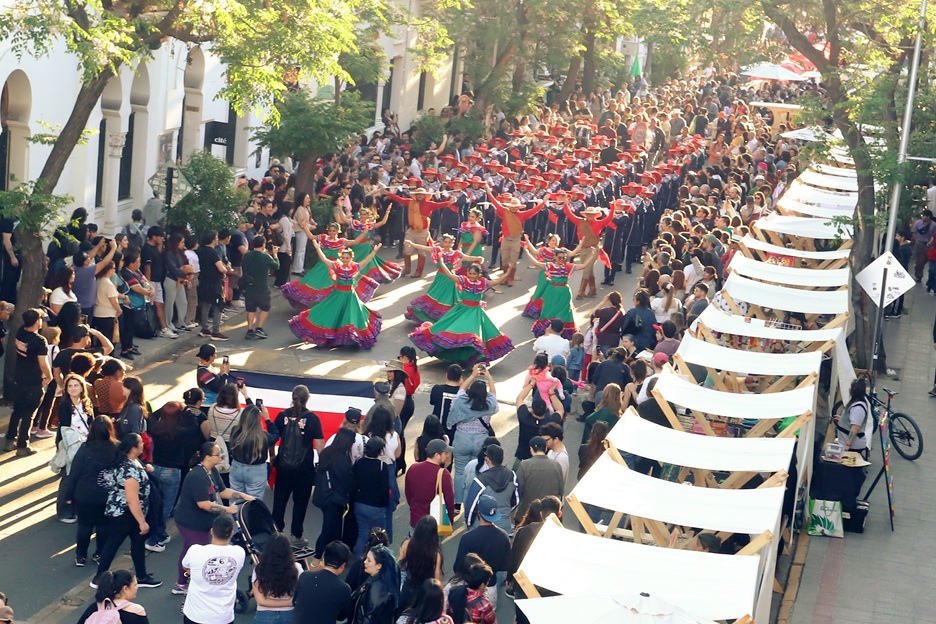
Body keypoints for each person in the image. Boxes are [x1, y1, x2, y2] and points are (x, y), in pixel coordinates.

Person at [172, 441, 256, 595]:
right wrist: (228, 509)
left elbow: (222, 491)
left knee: (189, 550)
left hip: (201, 521)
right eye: (218, 454)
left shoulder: (211, 471)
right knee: (200, 552)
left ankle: (182, 582)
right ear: (208, 457)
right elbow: (203, 504)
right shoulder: (197, 476)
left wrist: (242, 495)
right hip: (191, 522)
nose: (221, 456)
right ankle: (186, 582)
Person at [91, 433, 161, 589]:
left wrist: (145, 468)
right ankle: (99, 577)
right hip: (125, 513)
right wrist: (142, 522)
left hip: (128, 512)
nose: (143, 444)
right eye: (141, 443)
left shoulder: (130, 461)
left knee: (137, 543)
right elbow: (132, 499)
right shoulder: (129, 470)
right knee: (113, 543)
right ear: (134, 448)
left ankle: (141, 576)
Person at [409, 262, 512, 364]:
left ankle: (468, 357)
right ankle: (456, 354)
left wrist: (507, 273)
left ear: (478, 274)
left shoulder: (483, 283)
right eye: (470, 273)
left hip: (475, 313)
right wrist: (441, 262)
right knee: (453, 330)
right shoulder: (464, 281)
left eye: (474, 274)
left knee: (473, 336)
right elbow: (450, 275)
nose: (471, 276)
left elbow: (497, 281)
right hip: (461, 310)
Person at [289, 240, 383, 348]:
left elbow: (366, 260)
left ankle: (351, 337)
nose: (345, 260)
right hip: (337, 295)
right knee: (331, 313)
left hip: (350, 296)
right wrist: (318, 248)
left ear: (351, 258)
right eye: (343, 258)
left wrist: (374, 251)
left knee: (351, 316)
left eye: (347, 258)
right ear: (341, 258)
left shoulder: (355, 267)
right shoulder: (337, 266)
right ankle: (330, 336)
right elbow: (324, 259)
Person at [146, 400, 206, 551]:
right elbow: (194, 426)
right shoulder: (181, 432)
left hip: (155, 468)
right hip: (172, 471)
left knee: (157, 502)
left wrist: (165, 408)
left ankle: (159, 532)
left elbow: (152, 416)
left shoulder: (156, 427)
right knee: (167, 505)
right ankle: (154, 536)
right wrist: (187, 412)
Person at [272, 385, 324, 547]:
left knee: (279, 500)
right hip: (304, 468)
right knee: (300, 503)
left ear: (292, 398)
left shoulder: (282, 416)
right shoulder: (313, 418)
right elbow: (319, 444)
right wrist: (323, 464)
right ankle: (296, 536)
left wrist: (272, 456)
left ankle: (276, 532)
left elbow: (272, 437)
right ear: (307, 399)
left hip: (283, 466)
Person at [66, 417, 121, 567]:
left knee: (84, 526)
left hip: (85, 494)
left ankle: (80, 556)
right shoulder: (117, 448)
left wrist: (68, 495)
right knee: (103, 526)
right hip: (107, 495)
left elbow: (74, 473)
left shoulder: (85, 449)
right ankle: (99, 554)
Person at [281, 222, 367, 309]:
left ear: (338, 231)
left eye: (334, 231)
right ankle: (318, 306)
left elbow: (355, 242)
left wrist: (364, 233)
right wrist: (305, 227)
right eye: (330, 231)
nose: (332, 233)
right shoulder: (323, 238)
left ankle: (331, 307)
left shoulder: (341, 242)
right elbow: (311, 237)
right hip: (321, 266)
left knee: (333, 288)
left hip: (335, 268)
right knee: (315, 285)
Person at [447, 364, 498, 507]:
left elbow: (461, 390)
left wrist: (473, 375)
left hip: (461, 439)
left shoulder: (461, 402)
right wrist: (488, 376)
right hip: (481, 441)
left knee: (460, 471)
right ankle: (472, 502)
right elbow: (493, 394)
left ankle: (457, 503)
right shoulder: (490, 405)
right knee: (476, 472)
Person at [3, 308, 51, 456]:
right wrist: (49, 376)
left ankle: (10, 439)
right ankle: (23, 446)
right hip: (33, 381)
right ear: (37, 321)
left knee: (17, 409)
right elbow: (43, 363)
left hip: (19, 378)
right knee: (29, 413)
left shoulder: (20, 332)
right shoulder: (40, 341)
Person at [181, 514, 246, 624]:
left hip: (195, 615)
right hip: (223, 617)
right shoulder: (239, 552)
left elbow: (185, 566)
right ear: (231, 534)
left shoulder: (195, 550)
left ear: (212, 531)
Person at [403, 235, 482, 323]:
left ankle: (446, 319)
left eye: (449, 242)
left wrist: (477, 258)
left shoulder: (456, 253)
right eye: (445, 242)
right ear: (442, 243)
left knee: (447, 298)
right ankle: (432, 318)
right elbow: (424, 248)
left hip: (450, 279)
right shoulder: (438, 251)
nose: (447, 244)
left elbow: (467, 257)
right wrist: (412, 244)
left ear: (452, 243)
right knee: (435, 295)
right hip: (440, 278)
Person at [313, 428, 358, 558]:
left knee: (333, 529)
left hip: (324, 495)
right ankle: (317, 558)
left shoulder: (327, 452)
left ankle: (332, 557)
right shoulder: (342, 459)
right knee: (329, 530)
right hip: (334, 499)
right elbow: (348, 481)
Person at [524, 245, 583, 338]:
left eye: (564, 258)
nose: (562, 259)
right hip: (552, 292)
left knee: (565, 312)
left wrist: (593, 255)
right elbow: (536, 263)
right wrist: (527, 252)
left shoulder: (568, 267)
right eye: (560, 257)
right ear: (555, 257)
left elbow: (584, 266)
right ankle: (547, 330)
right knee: (548, 311)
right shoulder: (550, 266)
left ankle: (561, 332)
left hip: (565, 293)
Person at [293, 541, 353, 624]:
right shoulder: (344, 588)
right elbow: (342, 616)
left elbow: (294, 601)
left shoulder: (305, 575)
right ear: (343, 565)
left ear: (324, 559)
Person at [229, 403, 280, 500]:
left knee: (235, 500)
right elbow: (276, 435)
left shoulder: (235, 431)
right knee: (253, 502)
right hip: (256, 470)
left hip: (237, 467)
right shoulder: (263, 436)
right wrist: (267, 419)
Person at [463, 445, 517, 533]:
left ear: (487, 459)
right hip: (504, 526)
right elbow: (517, 499)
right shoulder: (512, 476)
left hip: (481, 526)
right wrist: (506, 511)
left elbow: (471, 507)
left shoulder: (480, 480)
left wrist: (469, 524)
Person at [353, 436, 392, 555]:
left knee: (362, 535)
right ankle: (378, 559)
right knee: (378, 536)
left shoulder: (359, 462)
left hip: (359, 504)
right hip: (376, 506)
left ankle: (358, 561)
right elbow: (385, 488)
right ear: (380, 451)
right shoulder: (381, 466)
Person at [404, 439, 455, 531]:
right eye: (445, 453)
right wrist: (450, 520)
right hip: (435, 523)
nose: (447, 455)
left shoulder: (413, 468)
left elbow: (408, 493)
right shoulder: (444, 474)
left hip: (415, 520)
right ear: (437, 455)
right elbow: (449, 500)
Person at [251, 533, 301, 624]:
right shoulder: (296, 568)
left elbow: (260, 601)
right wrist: (290, 602)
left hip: (264, 615)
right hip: (290, 614)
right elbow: (301, 593)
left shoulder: (259, 569)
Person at [398, 516, 444, 610]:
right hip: (425, 591)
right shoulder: (436, 554)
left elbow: (399, 564)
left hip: (409, 585)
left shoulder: (407, 544)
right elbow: (437, 579)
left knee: (401, 610)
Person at [514, 436, 564, 523]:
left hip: (527, 514)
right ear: (545, 448)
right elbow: (561, 491)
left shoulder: (524, 465)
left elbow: (518, 490)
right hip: (549, 514)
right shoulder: (556, 465)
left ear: (531, 449)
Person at [196, 230, 234, 341]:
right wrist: (226, 269)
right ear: (213, 239)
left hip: (204, 281)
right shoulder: (212, 252)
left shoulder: (200, 251)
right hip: (215, 282)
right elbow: (221, 268)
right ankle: (216, 331)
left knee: (206, 304)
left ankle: (204, 328)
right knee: (218, 306)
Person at [241, 235, 280, 339]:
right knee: (265, 308)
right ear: (263, 244)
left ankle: (249, 330)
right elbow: (276, 266)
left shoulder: (247, 255)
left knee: (250, 309)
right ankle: (259, 328)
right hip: (262, 287)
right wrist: (275, 254)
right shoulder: (266, 257)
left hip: (249, 287)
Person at [76, 569, 149, 624]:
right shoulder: (136, 611)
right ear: (125, 589)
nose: (137, 587)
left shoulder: (95, 607)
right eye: (135, 585)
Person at [351, 545, 401, 624]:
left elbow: (369, 619)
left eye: (369, 560)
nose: (365, 562)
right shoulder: (377, 580)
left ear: (379, 566)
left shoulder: (378, 589)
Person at [513, 397, 561, 470]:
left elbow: (519, 399)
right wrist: (552, 394)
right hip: (542, 465)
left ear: (532, 410)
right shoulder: (550, 423)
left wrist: (531, 387)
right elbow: (560, 409)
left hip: (522, 459)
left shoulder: (524, 418)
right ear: (546, 409)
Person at [837, 378, 874, 457]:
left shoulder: (858, 408)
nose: (849, 388)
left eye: (850, 387)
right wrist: (841, 420)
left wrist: (848, 444)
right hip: (847, 444)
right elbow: (851, 420)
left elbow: (855, 427)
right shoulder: (855, 403)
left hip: (852, 446)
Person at [195, 344, 233, 410]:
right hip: (208, 406)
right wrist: (225, 374)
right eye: (215, 354)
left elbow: (214, 380)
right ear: (210, 356)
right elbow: (218, 388)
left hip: (213, 403)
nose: (216, 356)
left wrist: (221, 373)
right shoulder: (203, 372)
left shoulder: (207, 367)